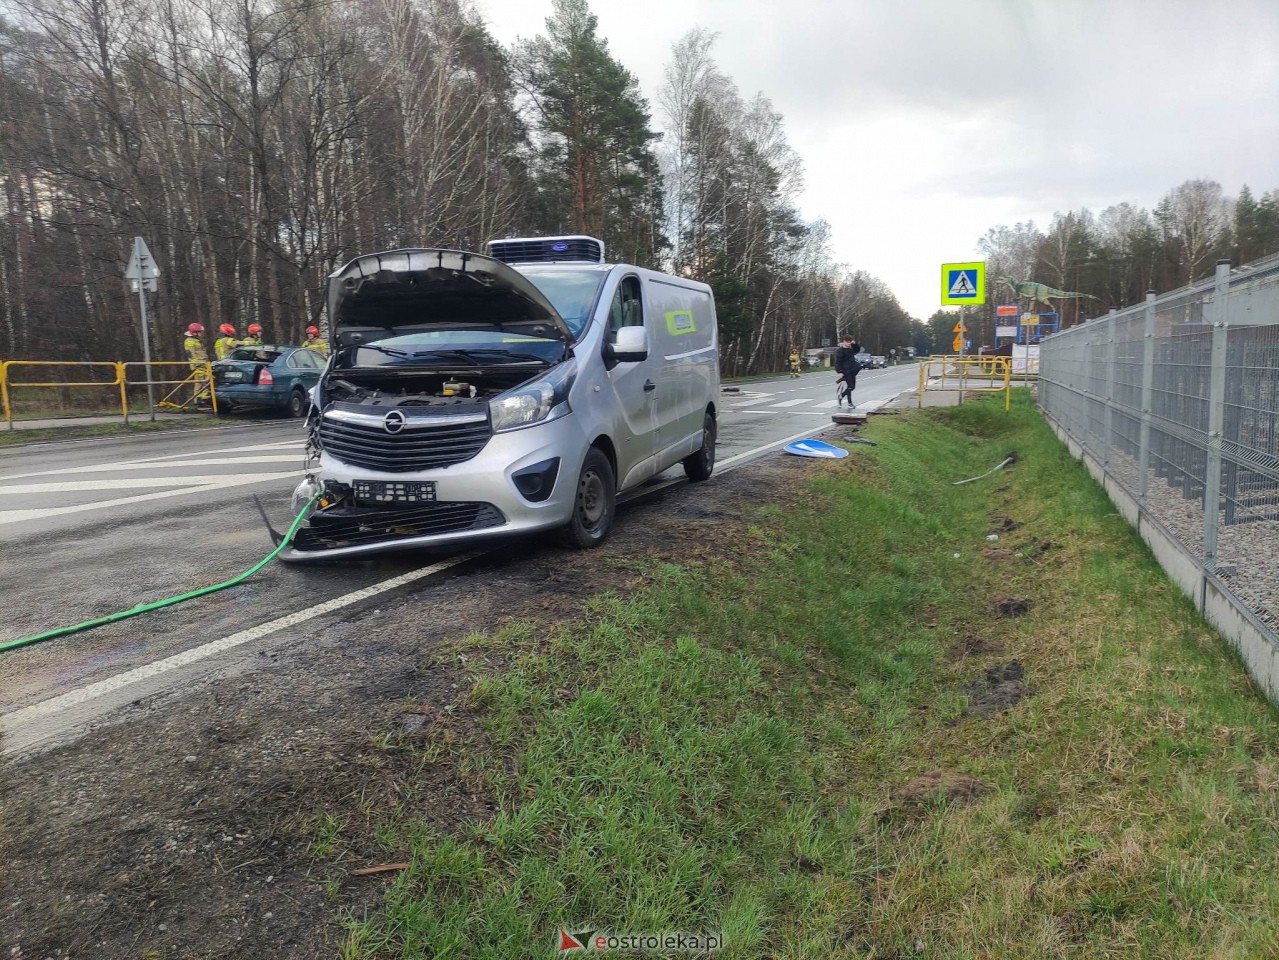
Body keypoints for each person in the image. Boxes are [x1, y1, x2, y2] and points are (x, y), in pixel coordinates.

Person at [183, 323, 211, 405]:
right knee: (199, 383)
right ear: (194, 332)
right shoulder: (190, 341)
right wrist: (196, 364)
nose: (201, 333)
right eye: (199, 332)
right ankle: (198, 401)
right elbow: (191, 354)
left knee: (204, 382)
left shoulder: (196, 340)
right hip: (199, 365)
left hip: (203, 364)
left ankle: (204, 399)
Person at [834, 334, 862, 407]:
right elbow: (838, 362)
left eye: (850, 341)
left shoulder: (851, 349)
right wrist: (839, 371)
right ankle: (850, 403)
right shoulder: (840, 351)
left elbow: (857, 350)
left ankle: (841, 397)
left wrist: (854, 344)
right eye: (847, 341)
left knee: (852, 387)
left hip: (852, 370)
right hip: (845, 371)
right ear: (844, 341)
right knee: (850, 386)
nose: (849, 343)